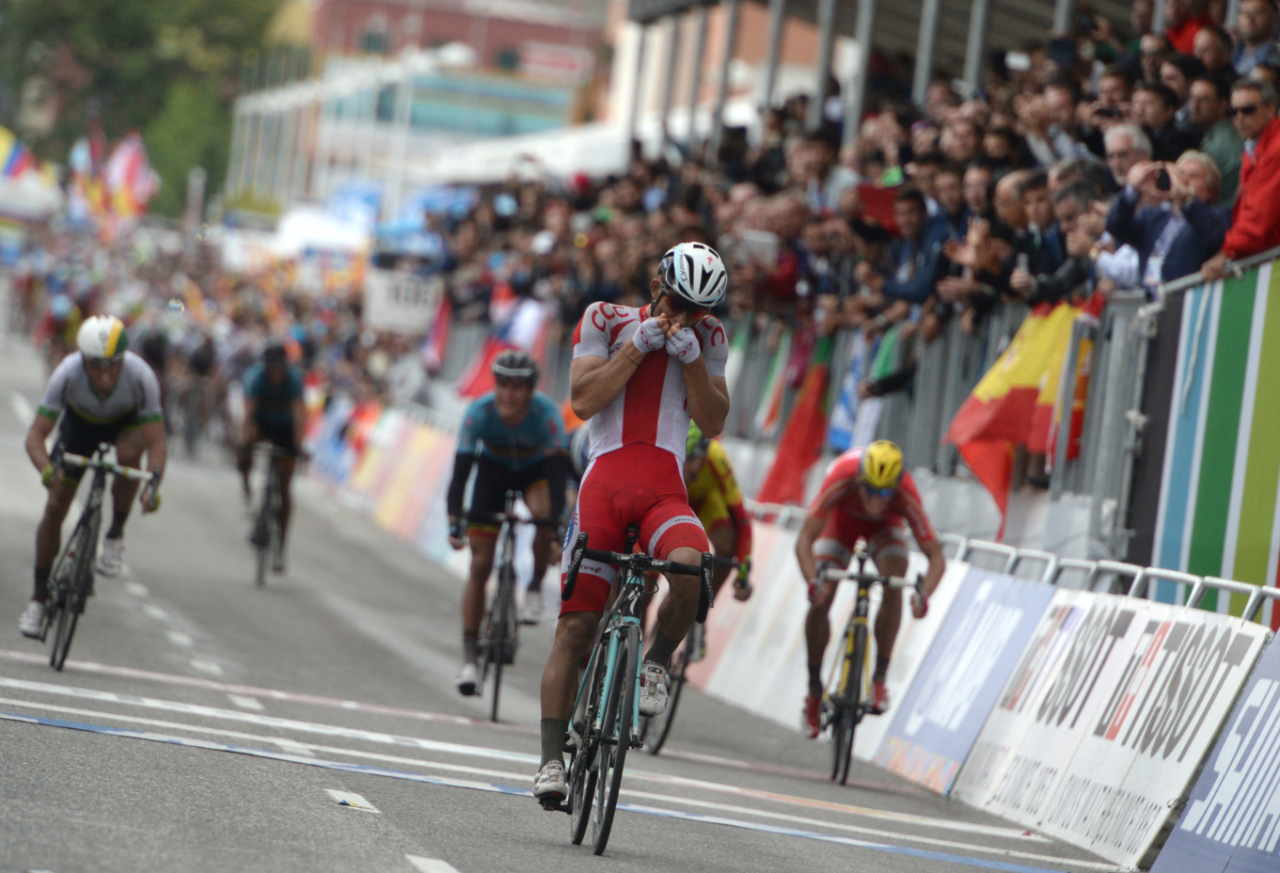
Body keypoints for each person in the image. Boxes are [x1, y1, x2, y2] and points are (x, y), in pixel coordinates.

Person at [532, 241, 730, 804]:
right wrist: (637, 349)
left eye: (697, 310)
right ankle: (550, 760)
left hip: (665, 492)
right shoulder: (605, 318)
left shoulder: (708, 337)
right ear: (654, 288)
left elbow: (713, 422)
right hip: (605, 486)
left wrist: (690, 358)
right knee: (575, 628)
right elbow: (585, 400)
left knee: (694, 568)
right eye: (675, 302)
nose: (682, 317)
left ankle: (656, 662)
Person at [19, 315, 165, 638]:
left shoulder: (141, 376)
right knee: (56, 504)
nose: (105, 374)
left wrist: (153, 485)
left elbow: (156, 442)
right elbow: (35, 436)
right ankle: (38, 598)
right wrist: (47, 469)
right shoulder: (67, 373)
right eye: (96, 365)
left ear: (123, 359)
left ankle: (114, 534)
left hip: (123, 426)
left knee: (130, 455)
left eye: (112, 364)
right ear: (83, 359)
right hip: (79, 428)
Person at [794, 441, 946, 738]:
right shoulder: (842, 476)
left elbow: (936, 557)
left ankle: (879, 678)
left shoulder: (905, 492)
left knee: (894, 578)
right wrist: (813, 581)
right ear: (859, 479)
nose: (876, 499)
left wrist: (923, 594)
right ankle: (814, 689)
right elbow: (804, 541)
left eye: (884, 492)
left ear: (896, 486)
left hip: (886, 527)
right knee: (823, 595)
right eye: (870, 489)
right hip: (840, 524)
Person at [446, 350, 568, 695]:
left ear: (531, 391)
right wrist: (455, 519)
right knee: (480, 563)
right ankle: (469, 657)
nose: (508, 394)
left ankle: (532, 589)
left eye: (517, 387)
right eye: (502, 385)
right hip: (492, 473)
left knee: (545, 514)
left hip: (534, 473)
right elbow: (461, 474)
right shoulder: (478, 413)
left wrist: (556, 527)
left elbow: (558, 479)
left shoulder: (547, 417)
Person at [682, 423, 754, 659]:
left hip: (705, 503)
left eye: (697, 459)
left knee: (726, 545)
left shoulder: (716, 456)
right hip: (672, 500)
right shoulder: (665, 454)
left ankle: (701, 610)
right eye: (685, 459)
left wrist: (743, 570)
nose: (691, 467)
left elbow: (742, 521)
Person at [237, 341, 305, 575]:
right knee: (245, 448)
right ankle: (246, 486)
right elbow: (248, 415)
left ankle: (280, 548)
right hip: (261, 424)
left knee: (285, 484)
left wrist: (297, 446)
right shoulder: (254, 379)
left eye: (280, 367)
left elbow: (298, 413)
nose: (276, 372)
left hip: (285, 428)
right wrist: (245, 444)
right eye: (272, 368)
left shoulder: (294, 380)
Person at [1202, 80, 1280, 279]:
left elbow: (1259, 217)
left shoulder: (1275, 149)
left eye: (1248, 110)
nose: (1239, 118)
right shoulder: (1253, 148)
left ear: (1271, 109)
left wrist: (1226, 253)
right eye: (1234, 112)